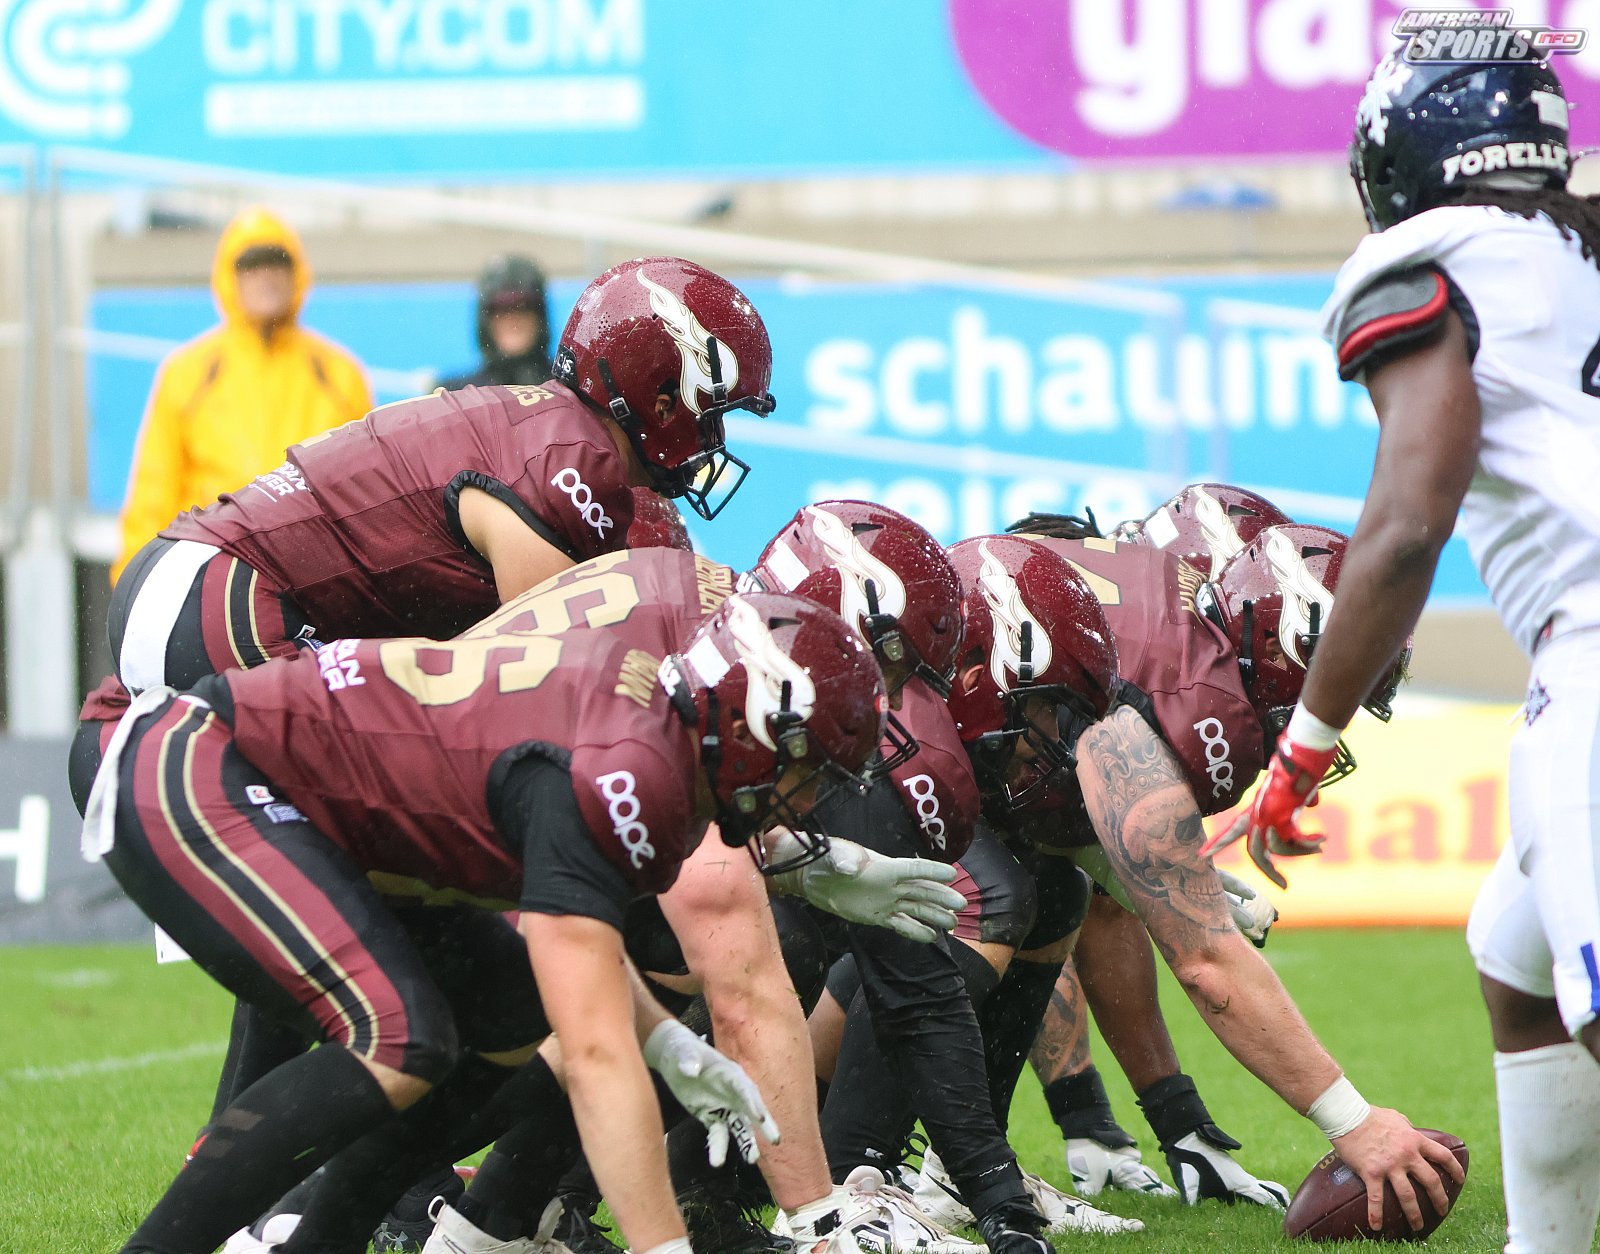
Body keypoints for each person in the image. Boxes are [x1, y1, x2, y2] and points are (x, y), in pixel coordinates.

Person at [84, 591, 885, 1254]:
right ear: (752, 727)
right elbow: (596, 1057)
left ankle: (318, 1242)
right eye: (809, 769)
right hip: (200, 765)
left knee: (511, 1006)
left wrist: (667, 1041)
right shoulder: (632, 772)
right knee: (400, 1037)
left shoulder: (656, 746)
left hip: (288, 795)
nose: (809, 800)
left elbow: (577, 949)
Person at [1215, 50, 1600, 1251]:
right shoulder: (1579, 241)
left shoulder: (1432, 255)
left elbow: (1402, 527)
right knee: (1515, 962)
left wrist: (1302, 750)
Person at [113, 208, 372, 583]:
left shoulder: (338, 373)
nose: (265, 275)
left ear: (297, 273)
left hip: (316, 577)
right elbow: (154, 490)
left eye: (277, 261)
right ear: (228, 277)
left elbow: (368, 493)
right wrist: (134, 584)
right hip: (211, 573)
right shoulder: (188, 373)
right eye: (250, 265)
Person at [437, 255, 553, 391]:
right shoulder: (455, 394)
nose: (513, 319)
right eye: (501, 309)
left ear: (540, 316)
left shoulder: (568, 391)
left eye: (524, 307)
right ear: (485, 320)